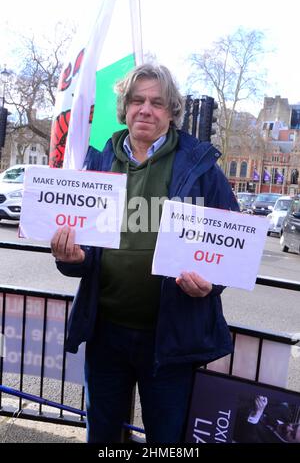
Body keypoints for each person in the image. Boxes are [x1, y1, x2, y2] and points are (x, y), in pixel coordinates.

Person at [50, 63, 239, 443]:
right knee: (102, 434)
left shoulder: (200, 167)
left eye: (156, 102)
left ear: (171, 111)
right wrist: (71, 258)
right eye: (137, 100)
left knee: (166, 440)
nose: (145, 109)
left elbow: (231, 244)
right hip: (107, 334)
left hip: (170, 339)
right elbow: (84, 252)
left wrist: (211, 284)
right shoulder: (97, 161)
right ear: (124, 107)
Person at [234, 395, 300, 443]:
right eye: (294, 426)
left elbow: (246, 438)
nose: (288, 427)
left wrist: (256, 416)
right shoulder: (283, 410)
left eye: (292, 434)